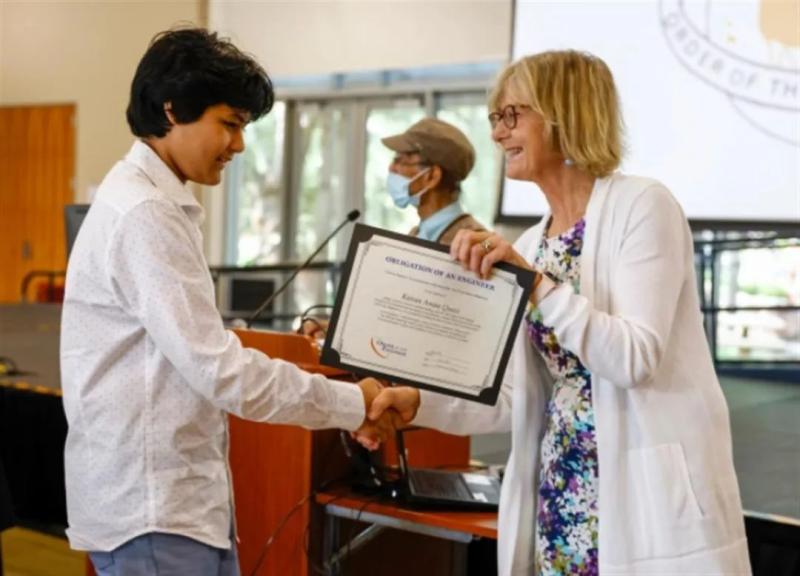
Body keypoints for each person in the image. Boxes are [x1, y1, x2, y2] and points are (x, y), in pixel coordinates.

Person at [367, 50, 751, 575]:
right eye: (494, 119)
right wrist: (415, 403)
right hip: (563, 498)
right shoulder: (534, 242)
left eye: (512, 116)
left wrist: (535, 285)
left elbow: (636, 358)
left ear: (563, 115)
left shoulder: (643, 206)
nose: (499, 134)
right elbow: (513, 398)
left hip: (641, 504)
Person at [60, 28, 395, 576]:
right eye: (230, 124)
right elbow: (220, 371)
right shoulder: (146, 213)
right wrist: (352, 403)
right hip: (154, 511)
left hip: (172, 506)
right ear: (172, 109)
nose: (239, 145)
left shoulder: (153, 200)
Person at [382, 117, 486, 244]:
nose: (391, 168)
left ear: (432, 176)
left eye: (400, 160)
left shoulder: (475, 243)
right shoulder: (417, 234)